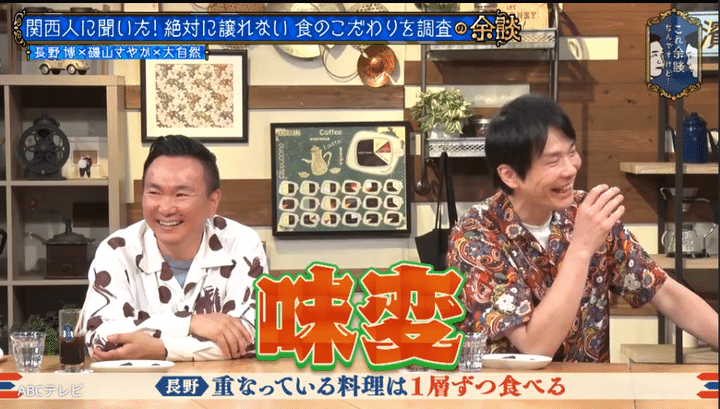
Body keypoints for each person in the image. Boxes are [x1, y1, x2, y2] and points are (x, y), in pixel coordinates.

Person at [448, 94, 718, 362]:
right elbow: (536, 348)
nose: (571, 169)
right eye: (553, 161)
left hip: (588, 386)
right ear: (510, 175)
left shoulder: (585, 211)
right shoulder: (476, 233)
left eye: (572, 152)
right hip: (512, 388)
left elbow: (665, 293)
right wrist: (581, 248)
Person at [81, 135, 267, 361]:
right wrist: (190, 323)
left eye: (181, 194)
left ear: (212, 202)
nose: (166, 208)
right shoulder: (118, 250)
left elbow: (249, 338)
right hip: (140, 385)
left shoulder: (241, 243)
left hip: (220, 383)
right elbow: (100, 339)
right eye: (154, 192)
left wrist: (160, 349)